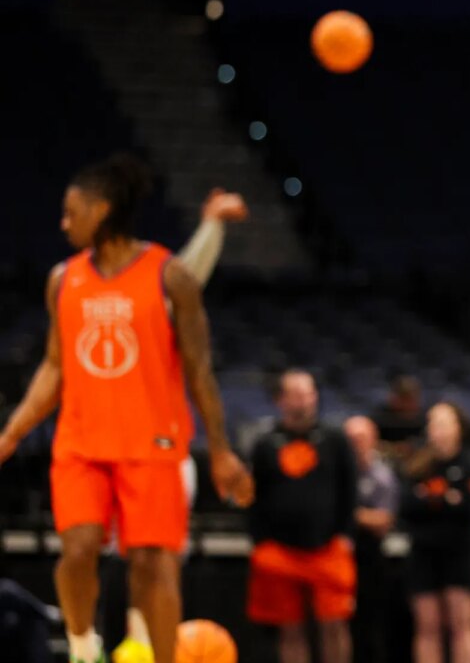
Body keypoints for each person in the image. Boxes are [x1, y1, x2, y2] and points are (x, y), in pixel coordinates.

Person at [0, 154, 253, 663]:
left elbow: (199, 373)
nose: (63, 224)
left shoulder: (170, 277)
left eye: (73, 212)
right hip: (82, 441)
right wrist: (10, 433)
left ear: (103, 209)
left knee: (151, 567)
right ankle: (82, 647)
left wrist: (221, 451)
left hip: (151, 442)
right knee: (76, 552)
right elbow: (54, 367)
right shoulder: (62, 279)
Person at [112, 187, 248, 663]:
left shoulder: (153, 315)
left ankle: (153, 648)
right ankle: (138, 644)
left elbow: (188, 273)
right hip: (116, 452)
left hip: (161, 453)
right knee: (134, 560)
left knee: (158, 560)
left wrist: (212, 224)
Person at [248, 369, 358, 663]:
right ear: (281, 400)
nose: (304, 401)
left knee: (334, 625)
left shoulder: (335, 439)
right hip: (279, 551)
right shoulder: (266, 443)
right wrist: (260, 542)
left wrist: (346, 535)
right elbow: (253, 497)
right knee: (290, 629)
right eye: (296, 394)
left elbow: (350, 489)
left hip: (328, 548)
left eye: (309, 393)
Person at [401, 403, 470, 663]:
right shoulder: (417, 465)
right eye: (433, 424)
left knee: (462, 626)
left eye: (444, 423)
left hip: (461, 553)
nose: (438, 430)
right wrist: (446, 500)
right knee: (427, 627)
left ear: (459, 428)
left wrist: (432, 500)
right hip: (424, 552)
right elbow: (407, 507)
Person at [344, 415, 399, 663]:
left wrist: (346, 513)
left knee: (371, 625)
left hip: (369, 558)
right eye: (351, 439)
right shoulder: (336, 473)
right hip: (337, 556)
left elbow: (383, 522)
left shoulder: (382, 476)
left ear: (373, 439)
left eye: (361, 438)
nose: (356, 443)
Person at [375, 377, 426, 454]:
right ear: (394, 399)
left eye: (412, 400)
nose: (409, 405)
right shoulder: (381, 419)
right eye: (405, 400)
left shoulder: (423, 420)